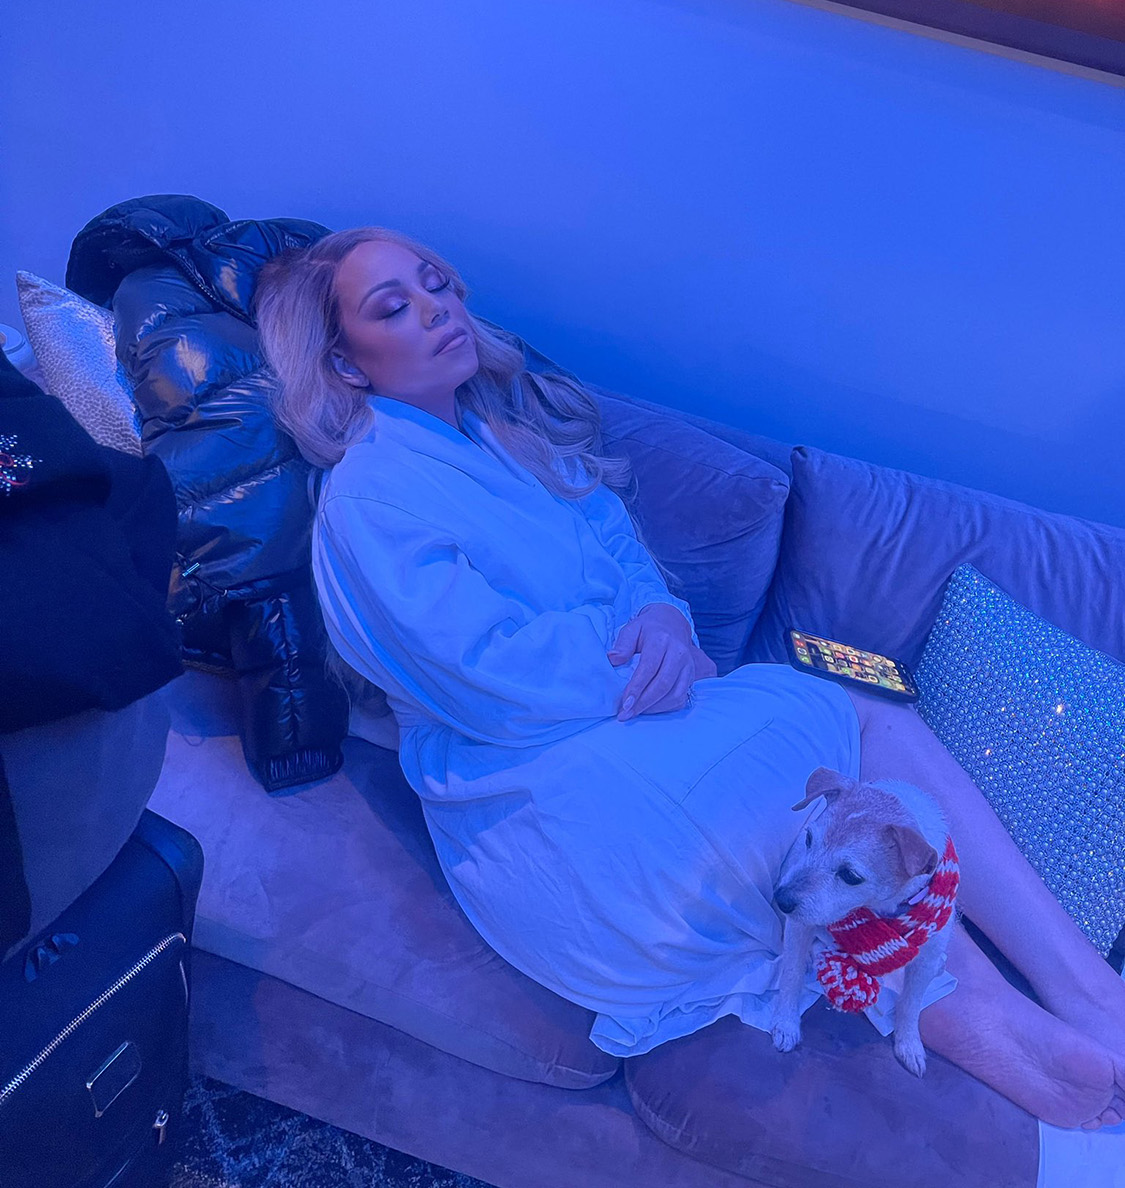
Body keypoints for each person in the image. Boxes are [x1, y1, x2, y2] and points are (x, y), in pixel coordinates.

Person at [254, 225, 1125, 1146]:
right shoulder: (371, 499)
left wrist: (663, 618)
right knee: (815, 752)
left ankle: (1043, 1002)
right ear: (344, 364)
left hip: (633, 723)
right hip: (539, 784)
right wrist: (633, 652)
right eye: (394, 307)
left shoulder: (506, 434)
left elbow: (619, 549)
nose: (437, 310)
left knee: (852, 737)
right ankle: (1016, 1004)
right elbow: (484, 677)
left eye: (436, 285)